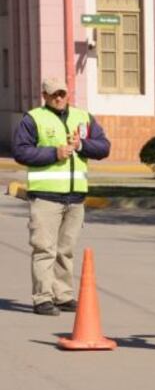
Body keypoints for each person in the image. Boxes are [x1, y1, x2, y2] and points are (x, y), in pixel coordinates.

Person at [12, 76, 111, 316]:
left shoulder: (83, 117)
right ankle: (43, 297)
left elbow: (104, 147)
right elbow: (21, 152)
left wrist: (81, 146)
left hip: (75, 196)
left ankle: (63, 294)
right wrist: (54, 153)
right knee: (44, 248)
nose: (59, 98)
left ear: (68, 94)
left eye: (62, 94)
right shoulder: (33, 118)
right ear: (44, 95)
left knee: (66, 250)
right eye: (54, 94)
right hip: (46, 195)